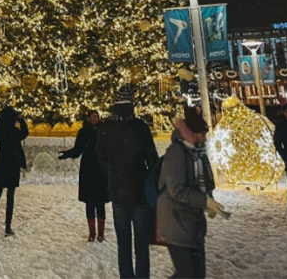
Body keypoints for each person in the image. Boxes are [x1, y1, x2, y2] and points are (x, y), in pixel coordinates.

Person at [158, 107, 229, 279]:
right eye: (201, 134)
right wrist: (204, 201)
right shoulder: (176, 152)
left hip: (193, 223)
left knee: (197, 274)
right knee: (187, 274)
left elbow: (205, 183)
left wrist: (209, 201)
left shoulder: (199, 152)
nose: (204, 138)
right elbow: (177, 189)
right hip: (176, 222)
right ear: (190, 133)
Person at [97, 85, 158, 279]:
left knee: (123, 244)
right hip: (139, 191)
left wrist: (114, 170)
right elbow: (153, 160)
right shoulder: (140, 127)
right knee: (141, 245)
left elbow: (100, 156)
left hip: (118, 191)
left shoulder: (106, 128)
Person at [59, 109, 109, 242]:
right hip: (88, 168)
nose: (96, 118)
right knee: (90, 201)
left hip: (101, 168)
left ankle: (101, 233)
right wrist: (67, 154)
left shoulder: (104, 130)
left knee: (100, 202)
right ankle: (92, 233)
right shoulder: (84, 131)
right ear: (88, 118)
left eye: (97, 116)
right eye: (93, 116)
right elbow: (78, 149)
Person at [0, 106, 28, 237]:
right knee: (10, 196)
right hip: (13, 164)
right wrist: (22, 121)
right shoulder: (14, 132)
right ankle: (7, 226)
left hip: (2, 163)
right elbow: (24, 133)